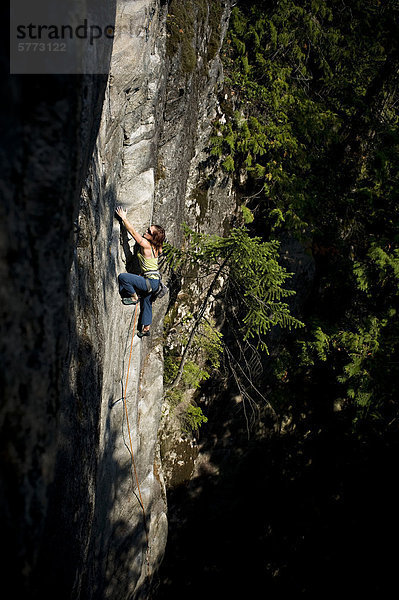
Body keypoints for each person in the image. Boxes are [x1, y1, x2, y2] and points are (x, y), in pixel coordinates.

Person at [116, 206, 165, 337]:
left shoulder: (146, 245)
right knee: (147, 302)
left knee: (123, 277)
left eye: (149, 231)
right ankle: (146, 329)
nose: (146, 230)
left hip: (150, 281)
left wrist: (123, 218)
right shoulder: (157, 247)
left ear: (152, 236)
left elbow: (132, 233)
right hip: (155, 282)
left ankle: (133, 297)